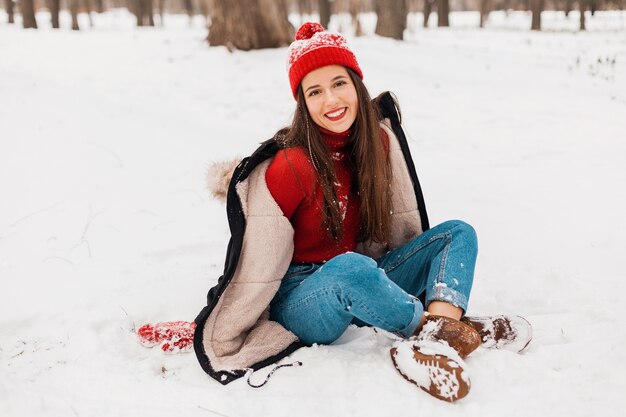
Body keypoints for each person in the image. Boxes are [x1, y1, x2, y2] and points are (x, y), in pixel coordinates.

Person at [193, 22, 532, 402]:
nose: (331, 100)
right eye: (315, 91)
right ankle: (437, 333)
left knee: (457, 233)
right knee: (350, 268)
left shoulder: (374, 147)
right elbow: (254, 255)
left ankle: (440, 332)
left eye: (339, 83)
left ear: (357, 84)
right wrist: (223, 316)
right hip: (303, 300)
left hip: (364, 280)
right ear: (303, 103)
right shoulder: (293, 165)